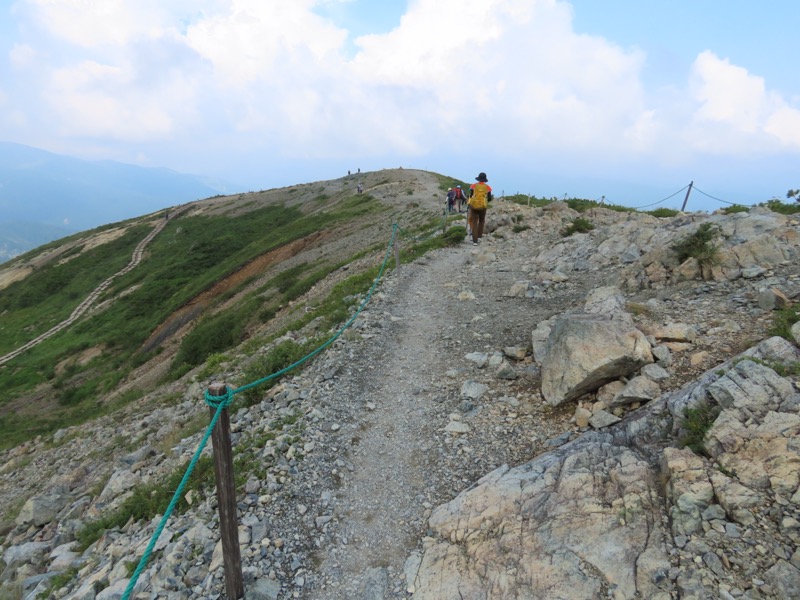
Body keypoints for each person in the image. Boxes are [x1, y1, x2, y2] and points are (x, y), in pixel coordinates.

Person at [467, 172, 493, 246]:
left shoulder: (473, 186)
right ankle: (479, 237)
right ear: (485, 179)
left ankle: (474, 241)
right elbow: (489, 198)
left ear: (478, 178)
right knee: (481, 220)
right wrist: (484, 202)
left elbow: (471, 196)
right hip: (483, 207)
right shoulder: (488, 187)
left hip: (474, 206)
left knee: (474, 221)